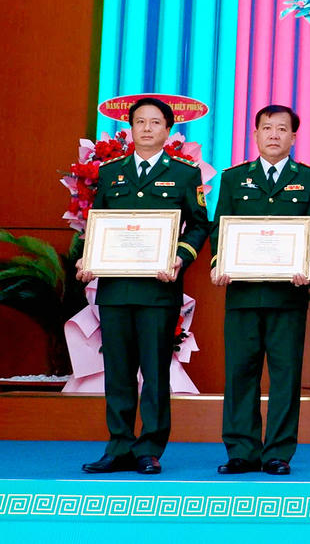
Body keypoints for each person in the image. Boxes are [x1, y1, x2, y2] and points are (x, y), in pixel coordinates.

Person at [77, 97, 210, 475]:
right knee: (118, 371)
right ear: (131, 128)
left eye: (155, 122)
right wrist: (88, 258)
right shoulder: (110, 172)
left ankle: (149, 448)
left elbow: (200, 224)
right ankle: (118, 445)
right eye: (140, 122)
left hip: (158, 289)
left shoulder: (184, 174)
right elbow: (98, 223)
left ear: (168, 130)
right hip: (116, 288)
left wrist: (180, 257)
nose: (147, 128)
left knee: (154, 372)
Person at [210, 105, 310, 476]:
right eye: (266, 128)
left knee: (285, 375)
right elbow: (221, 226)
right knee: (240, 372)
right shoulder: (234, 178)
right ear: (256, 135)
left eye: (281, 129)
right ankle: (241, 451)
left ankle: (278, 452)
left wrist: (308, 262)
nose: (274, 134)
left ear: (294, 137)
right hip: (243, 293)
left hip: (288, 294)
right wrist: (219, 262)